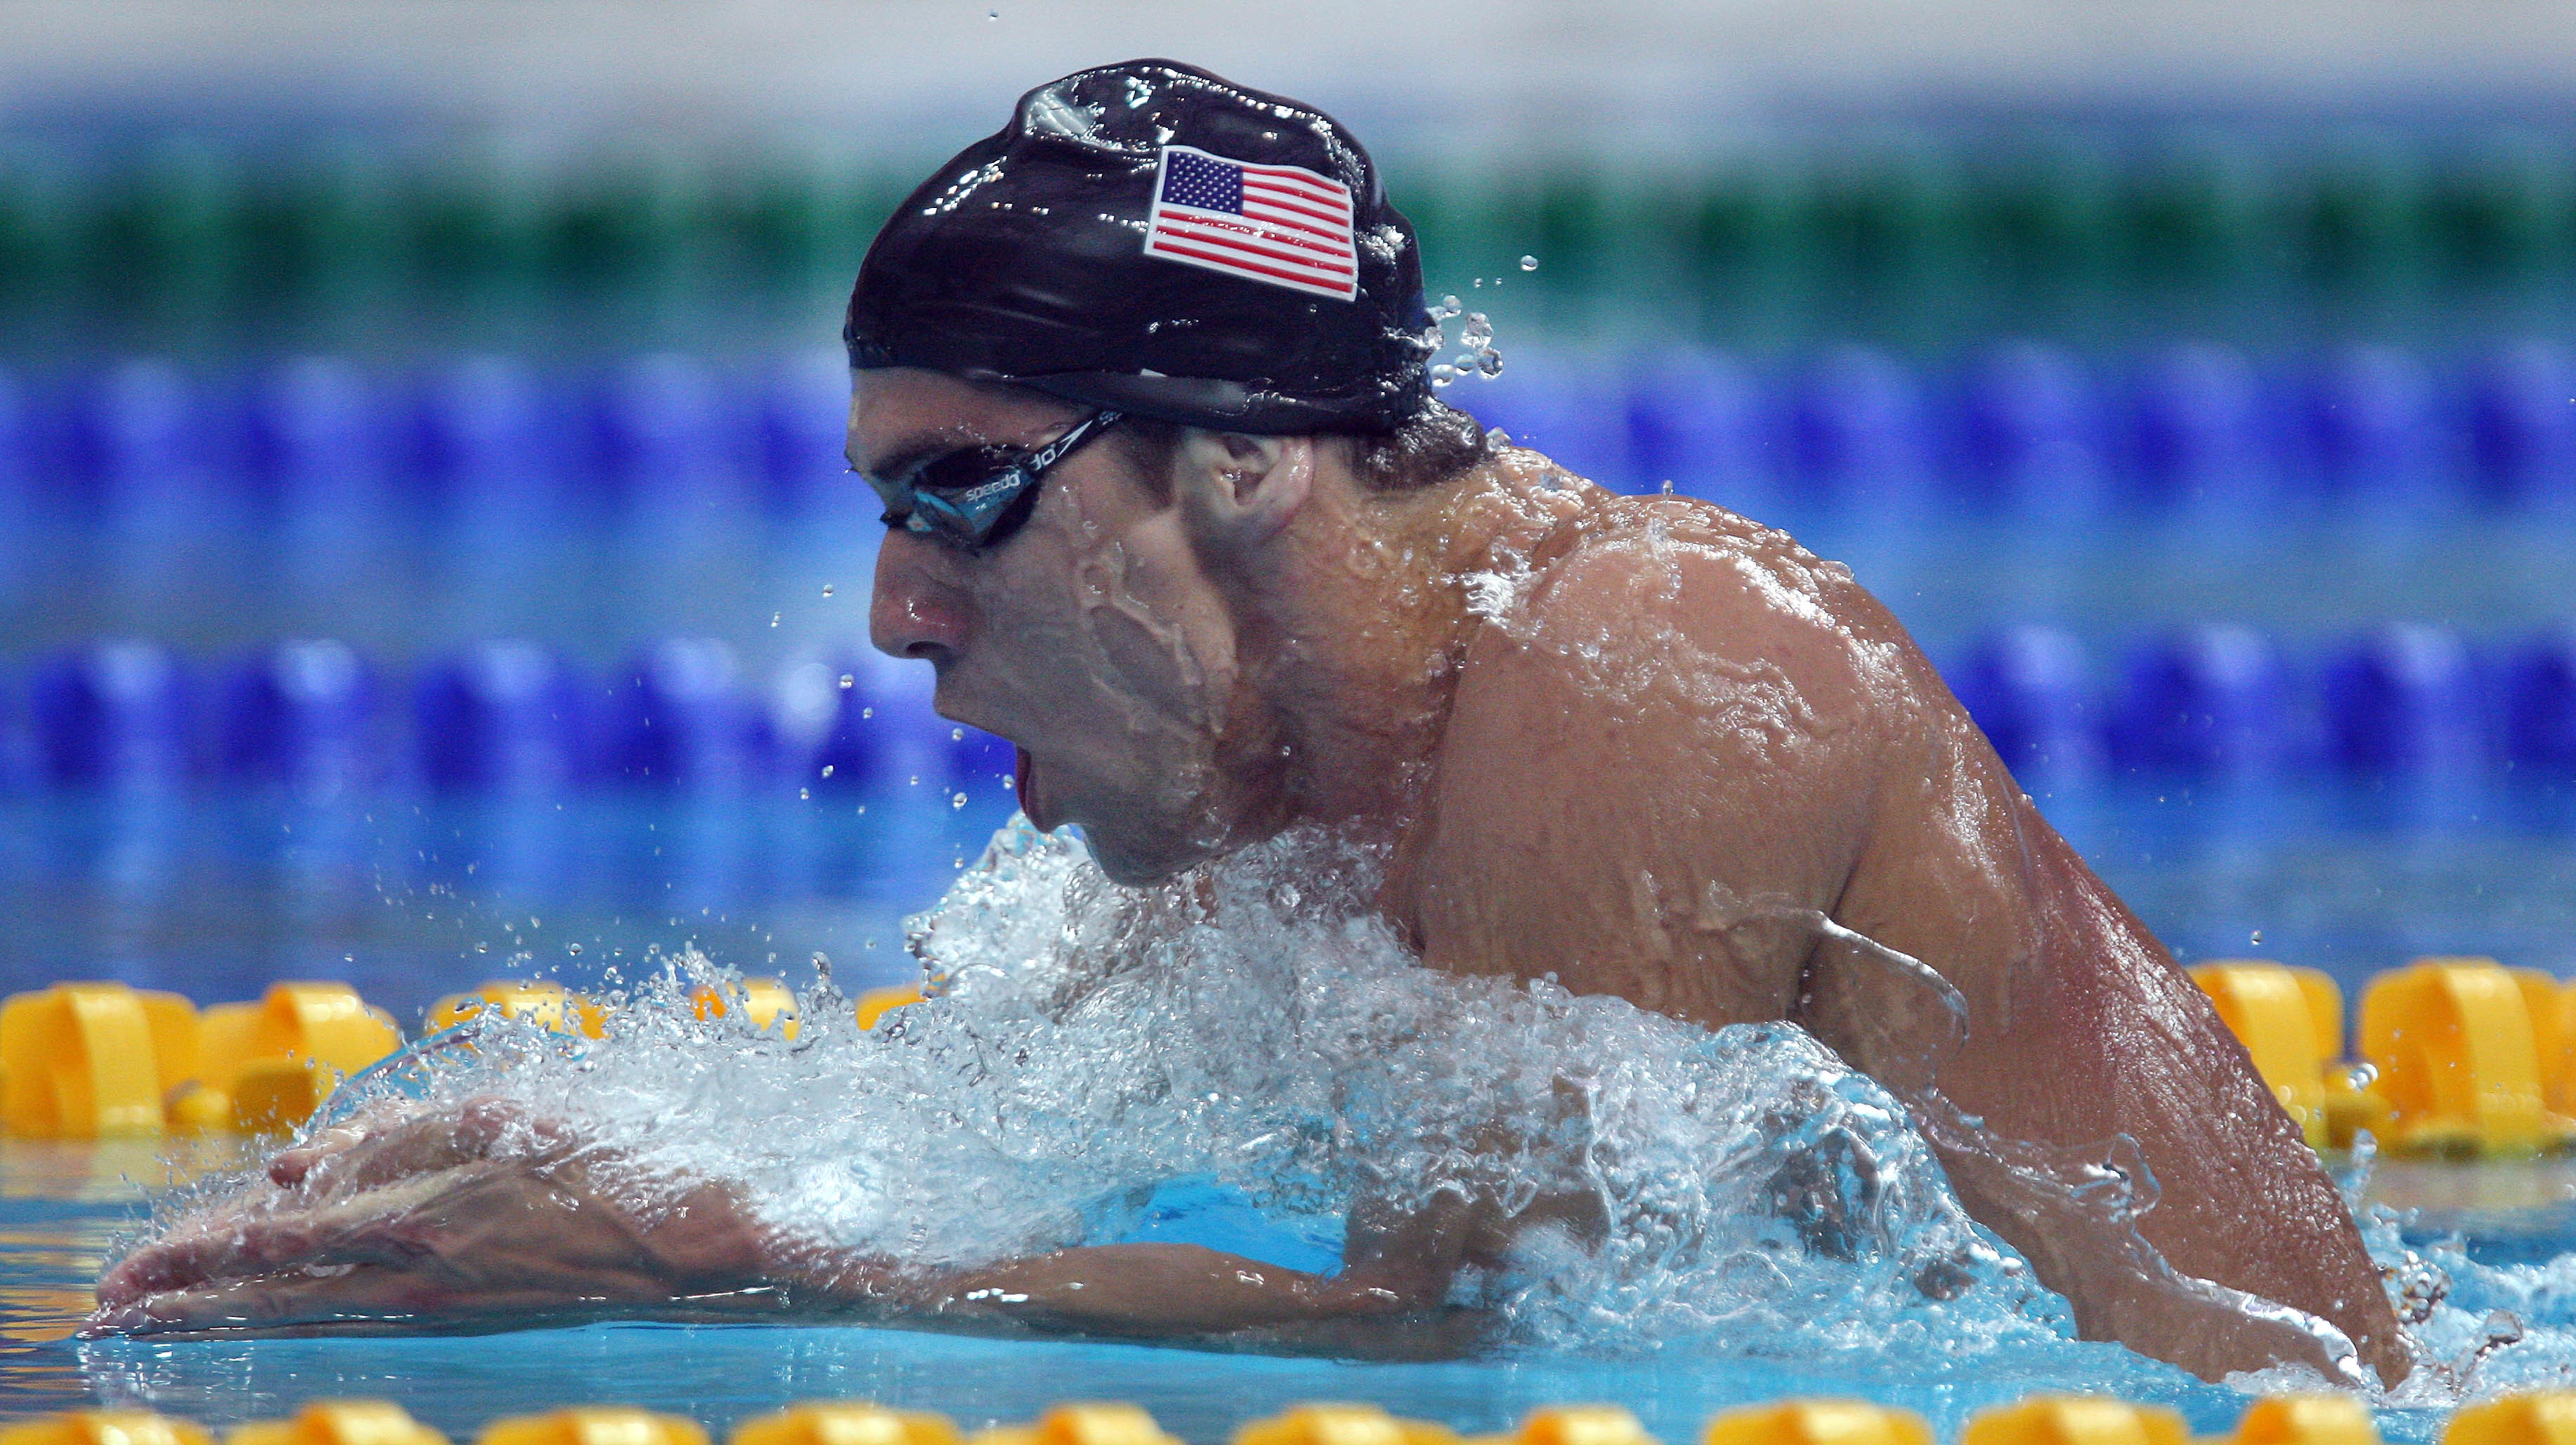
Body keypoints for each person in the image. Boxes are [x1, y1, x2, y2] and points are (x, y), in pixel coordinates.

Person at [91, 59, 2407, 1387]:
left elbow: (1488, 1322)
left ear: (1236, 458)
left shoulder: (1649, 665)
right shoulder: (1276, 770)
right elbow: (1009, 1122)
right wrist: (628, 1150)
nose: (897, 618)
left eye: (960, 497)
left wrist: (717, 1261)